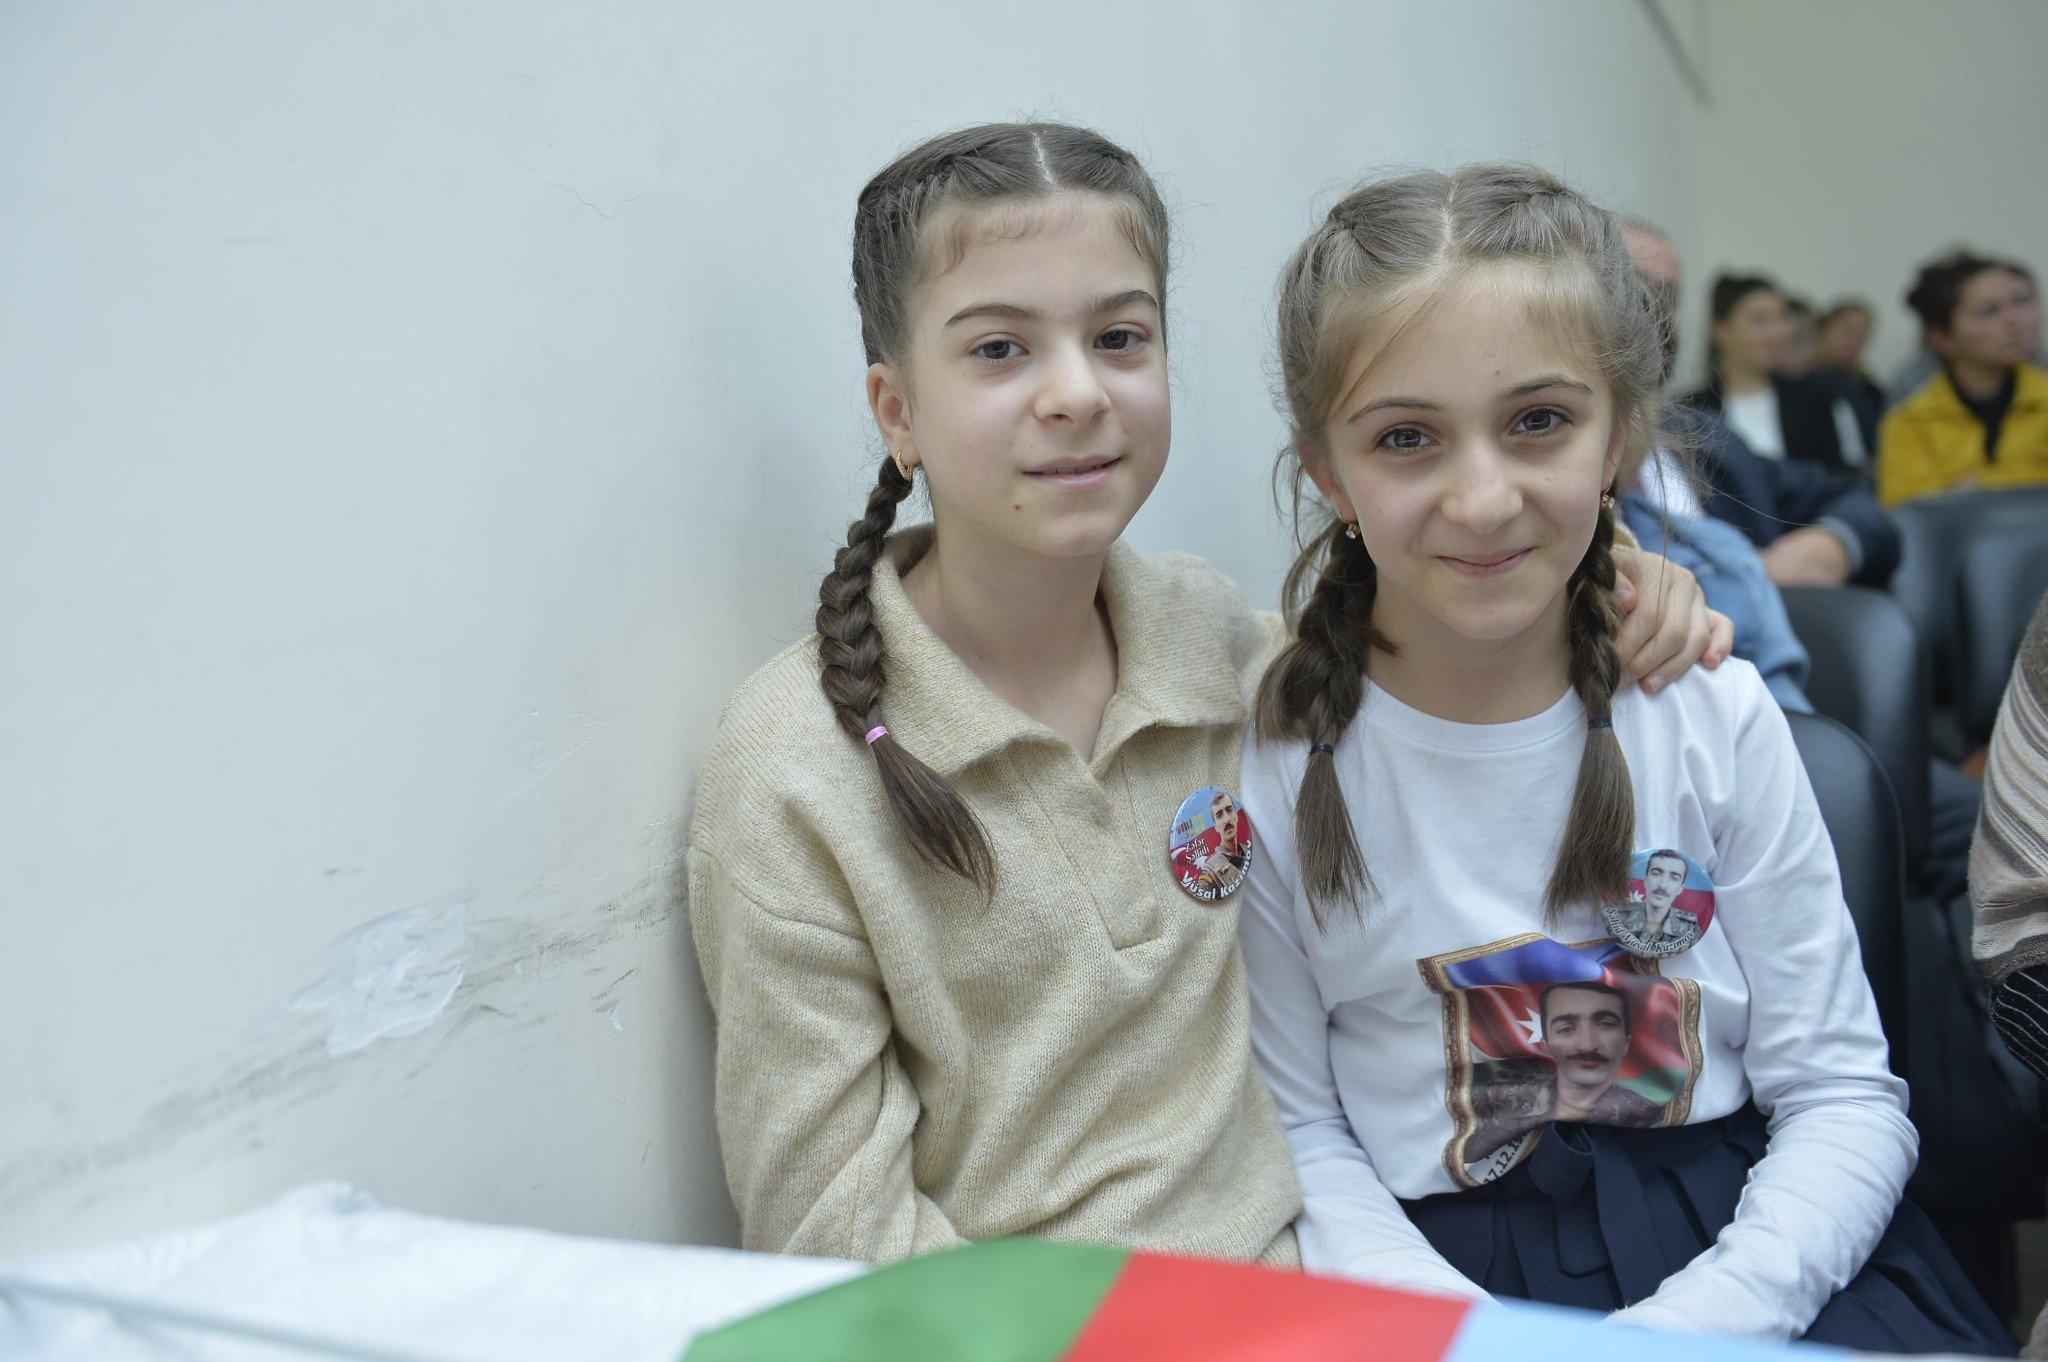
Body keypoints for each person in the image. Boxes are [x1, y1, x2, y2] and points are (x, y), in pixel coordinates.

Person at [686, 124, 1725, 1267]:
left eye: (1118, 337)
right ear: (896, 411)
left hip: (1316, 1286)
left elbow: (1444, 626)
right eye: (998, 349)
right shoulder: (794, 767)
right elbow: (829, 1229)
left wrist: (1620, 572)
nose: (1075, 392)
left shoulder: (1218, 643)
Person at [1238, 165, 2009, 1351]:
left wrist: (1688, 1330)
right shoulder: (1275, 755)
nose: (1481, 499)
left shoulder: (1708, 708)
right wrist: (1470, 1337)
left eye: (1537, 421)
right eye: (1405, 437)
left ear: (1619, 441)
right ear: (1328, 475)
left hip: (1756, 1252)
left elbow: (1841, 1094)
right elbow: (1296, 1127)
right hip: (1425, 1273)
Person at [1622, 223, 1897, 591]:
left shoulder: (1705, 436)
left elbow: (1855, 500)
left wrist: (1830, 545)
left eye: (1666, 297)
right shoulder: (1563, 476)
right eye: (1629, 288)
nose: (1650, 312)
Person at [1878, 251, 2048, 507]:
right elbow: (1908, 509)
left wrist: (1980, 484)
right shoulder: (1910, 420)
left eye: (2022, 301)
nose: (2014, 320)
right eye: (1988, 311)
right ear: (1941, 337)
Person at [1680, 274, 1871, 477]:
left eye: (1782, 318)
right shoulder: (1691, 410)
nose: (1776, 333)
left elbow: (1839, 479)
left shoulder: (1815, 402)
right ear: (1722, 330)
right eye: (1759, 320)